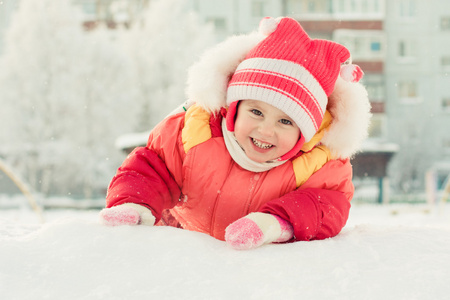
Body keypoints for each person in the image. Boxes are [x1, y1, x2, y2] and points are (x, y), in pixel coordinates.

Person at [99, 17, 371, 250]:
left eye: (286, 122)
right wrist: (134, 204)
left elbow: (326, 206)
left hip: (249, 263)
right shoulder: (195, 132)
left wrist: (274, 223)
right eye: (256, 112)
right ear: (233, 108)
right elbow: (152, 168)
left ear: (305, 134)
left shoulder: (318, 162)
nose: (266, 130)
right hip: (183, 244)